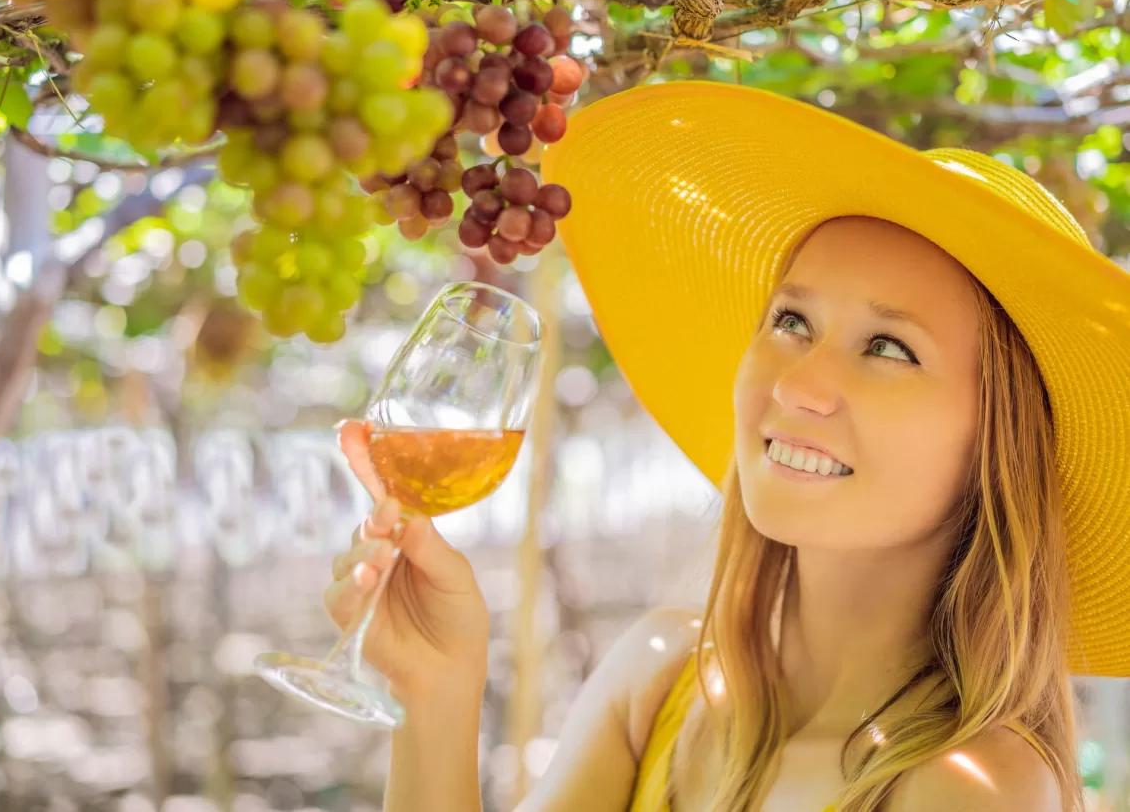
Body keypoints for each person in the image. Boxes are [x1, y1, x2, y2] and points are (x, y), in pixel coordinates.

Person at [325, 82, 1130, 812]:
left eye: (888, 347)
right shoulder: (659, 684)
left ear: (997, 444)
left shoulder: (974, 787)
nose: (799, 383)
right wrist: (434, 689)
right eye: (791, 321)